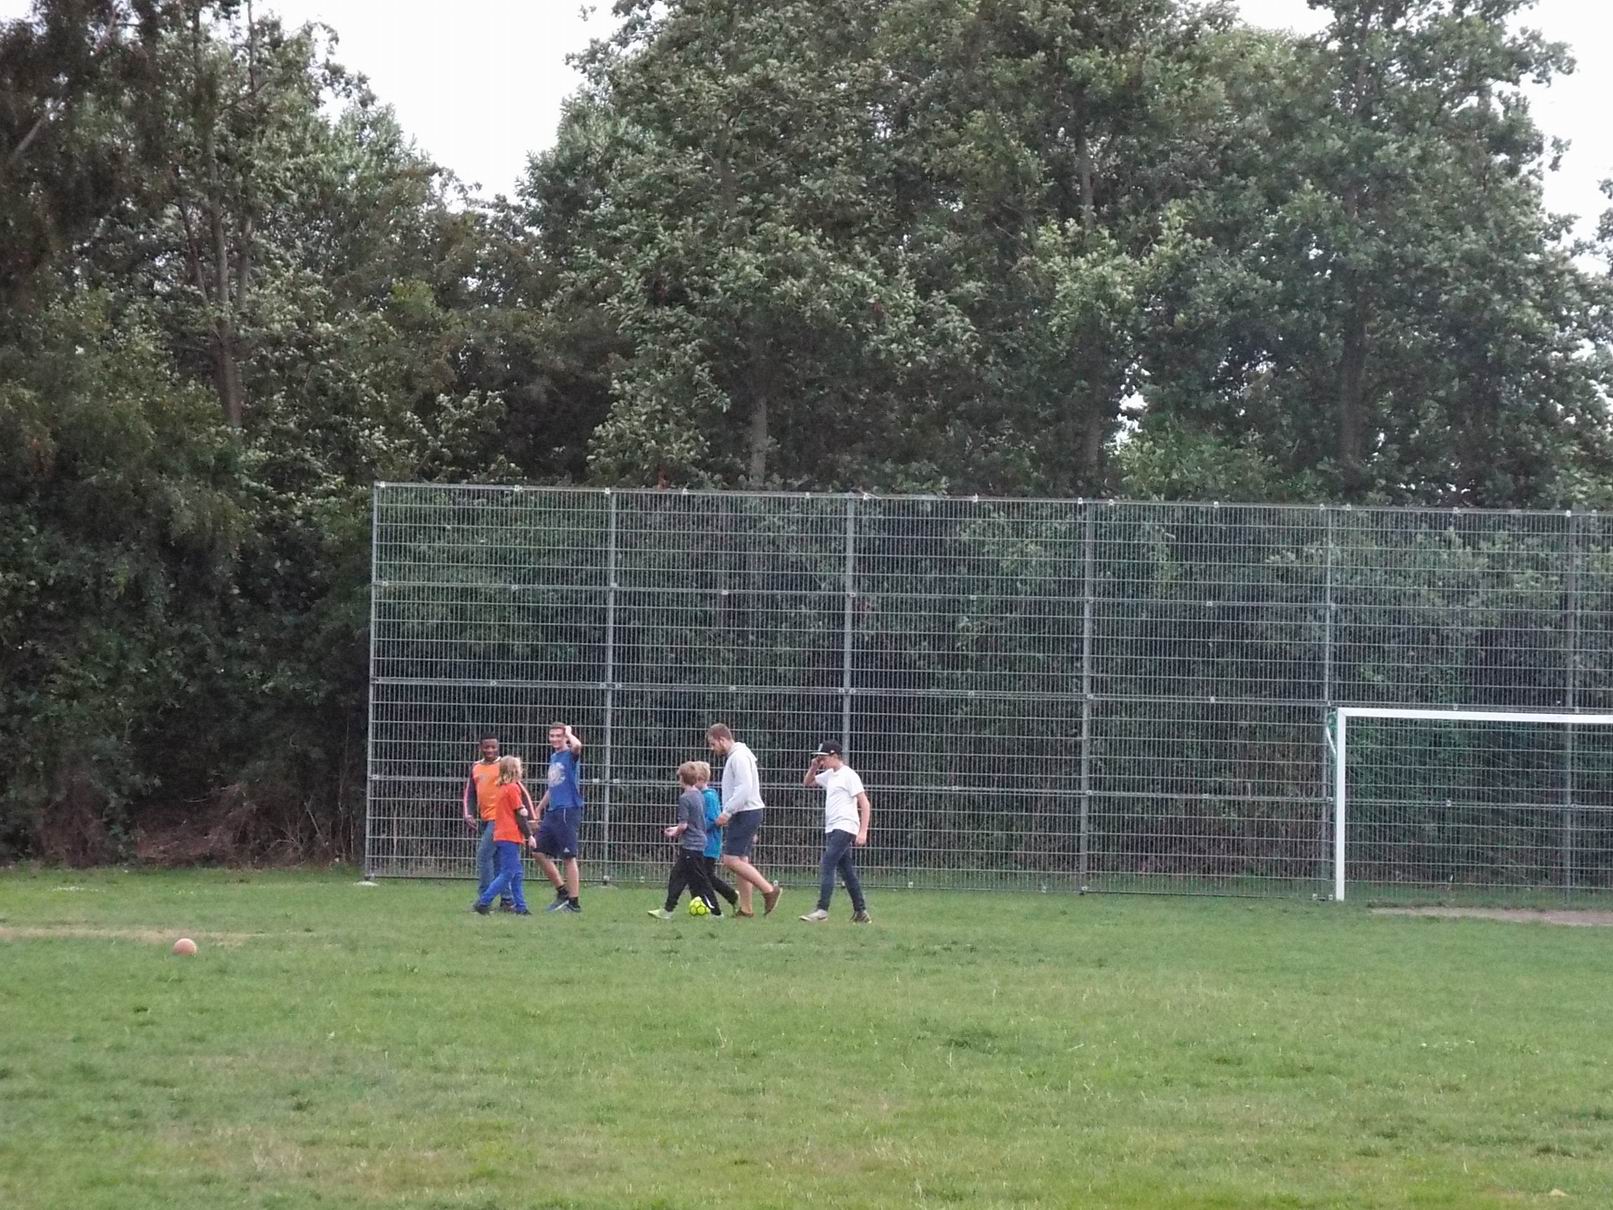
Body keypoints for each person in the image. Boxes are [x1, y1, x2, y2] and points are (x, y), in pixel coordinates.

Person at [706, 723, 782, 916]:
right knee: (741, 859)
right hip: (747, 812)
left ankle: (768, 890)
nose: (712, 748)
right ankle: (746, 909)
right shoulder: (739, 755)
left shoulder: (738, 757)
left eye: (713, 744)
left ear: (722, 739)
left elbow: (744, 788)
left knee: (730, 860)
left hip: (745, 812)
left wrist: (727, 812)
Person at [799, 741, 871, 924]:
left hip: (845, 826)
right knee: (846, 871)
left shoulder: (849, 775)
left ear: (835, 756)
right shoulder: (830, 775)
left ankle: (822, 910)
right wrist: (814, 767)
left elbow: (864, 803)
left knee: (827, 863)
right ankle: (861, 911)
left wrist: (863, 831)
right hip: (832, 827)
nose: (822, 761)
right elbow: (808, 783)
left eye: (824, 758)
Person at [459, 734, 533, 912]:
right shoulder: (476, 767)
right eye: (487, 747)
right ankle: (507, 901)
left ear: (498, 748)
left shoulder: (505, 766)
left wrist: (532, 817)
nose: (490, 750)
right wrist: (468, 813)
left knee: (484, 856)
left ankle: (484, 900)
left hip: (499, 820)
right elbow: (470, 793)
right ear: (480, 748)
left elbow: (521, 793)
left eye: (493, 747)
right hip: (485, 818)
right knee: (501, 862)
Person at [649, 762, 721, 920]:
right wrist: (678, 828)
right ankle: (667, 910)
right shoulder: (699, 795)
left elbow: (684, 825)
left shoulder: (685, 798)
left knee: (701, 880)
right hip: (698, 842)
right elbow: (695, 821)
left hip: (691, 845)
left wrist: (674, 832)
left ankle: (716, 912)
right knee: (677, 877)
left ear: (682, 778)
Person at [472, 756, 535, 915]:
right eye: (520, 767)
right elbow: (519, 814)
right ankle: (484, 902)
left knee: (516, 873)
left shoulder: (502, 788)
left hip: (502, 834)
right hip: (509, 835)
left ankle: (521, 907)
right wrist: (530, 835)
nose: (522, 770)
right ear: (514, 770)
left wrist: (522, 811)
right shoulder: (513, 788)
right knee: (508, 873)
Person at [534, 721, 585, 913]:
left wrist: (569, 733)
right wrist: (539, 807)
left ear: (565, 737)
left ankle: (574, 902)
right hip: (553, 811)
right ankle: (562, 891)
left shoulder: (570, 755)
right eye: (552, 736)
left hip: (568, 810)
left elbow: (578, 746)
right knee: (537, 851)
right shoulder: (554, 757)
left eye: (558, 736)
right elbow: (553, 786)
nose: (554, 739)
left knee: (568, 856)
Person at [695, 760, 738, 914]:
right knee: (701, 876)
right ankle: (704, 903)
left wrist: (696, 827)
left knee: (706, 876)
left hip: (709, 844)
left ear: (700, 779)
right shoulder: (700, 796)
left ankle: (731, 896)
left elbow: (714, 819)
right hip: (701, 843)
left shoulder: (709, 797)